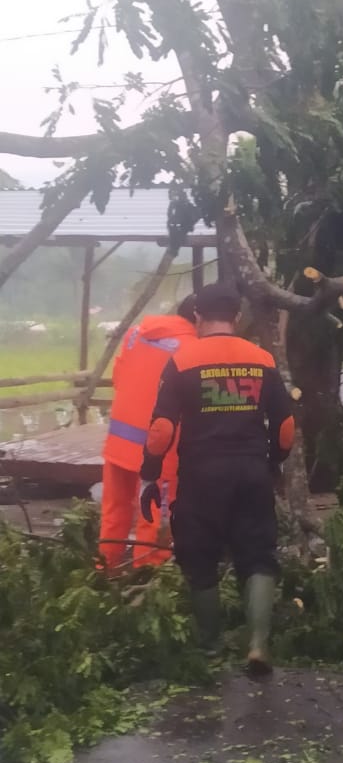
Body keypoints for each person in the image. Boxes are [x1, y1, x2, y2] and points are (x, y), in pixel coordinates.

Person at [139, 282, 295, 675]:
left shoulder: (183, 360)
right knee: (258, 556)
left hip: (202, 476)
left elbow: (160, 429)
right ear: (237, 318)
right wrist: (273, 464)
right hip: (250, 472)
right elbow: (286, 427)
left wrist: (149, 475)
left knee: (200, 558)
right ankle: (258, 645)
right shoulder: (261, 358)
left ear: (196, 316)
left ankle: (211, 650)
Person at [98, 295, 197, 571]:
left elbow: (119, 377)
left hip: (119, 442)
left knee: (114, 511)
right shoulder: (193, 349)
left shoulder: (136, 333)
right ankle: (149, 582)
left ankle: (106, 571)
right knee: (154, 517)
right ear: (200, 318)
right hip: (158, 448)